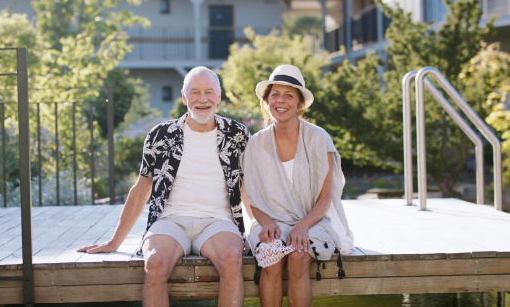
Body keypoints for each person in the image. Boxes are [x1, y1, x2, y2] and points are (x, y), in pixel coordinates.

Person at [77, 66, 251, 307]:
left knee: (232, 258)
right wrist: (114, 242)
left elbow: (246, 187)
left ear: (219, 97)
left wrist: (263, 227)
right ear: (184, 97)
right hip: (170, 221)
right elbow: (141, 189)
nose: (202, 99)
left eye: (209, 92)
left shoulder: (238, 135)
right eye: (195, 92)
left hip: (218, 222)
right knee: (156, 262)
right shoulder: (161, 135)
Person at [243, 64, 354, 307]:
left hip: (313, 219)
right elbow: (251, 198)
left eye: (289, 95)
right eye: (275, 95)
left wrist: (302, 227)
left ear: (300, 103)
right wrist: (267, 223)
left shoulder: (318, 138)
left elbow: (326, 198)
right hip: (269, 220)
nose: (281, 101)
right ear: (266, 101)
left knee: (298, 256)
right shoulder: (255, 144)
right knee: (271, 258)